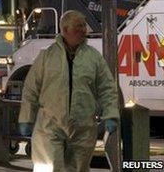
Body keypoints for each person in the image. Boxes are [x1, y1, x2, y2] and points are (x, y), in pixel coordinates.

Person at [18, 10, 120, 172]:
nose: (84, 30)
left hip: (83, 127)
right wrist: (26, 118)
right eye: (79, 26)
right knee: (49, 167)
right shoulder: (47, 57)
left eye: (84, 26)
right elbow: (31, 89)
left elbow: (107, 88)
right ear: (65, 30)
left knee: (78, 167)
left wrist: (111, 114)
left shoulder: (93, 58)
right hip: (50, 125)